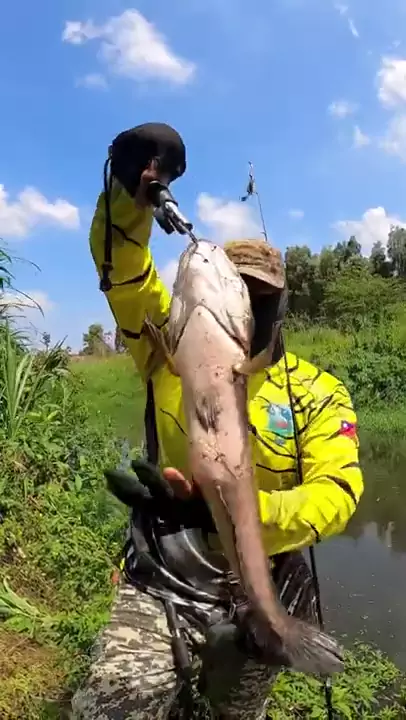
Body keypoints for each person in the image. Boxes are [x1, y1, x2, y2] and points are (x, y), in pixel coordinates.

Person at [71, 123, 364, 720]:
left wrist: (232, 513)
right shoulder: (167, 353)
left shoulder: (318, 392)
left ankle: (245, 660)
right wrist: (130, 193)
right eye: (235, 289)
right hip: (167, 574)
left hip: (267, 582)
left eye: (259, 296)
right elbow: (125, 275)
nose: (244, 304)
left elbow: (338, 492)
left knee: (235, 709)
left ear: (279, 308)